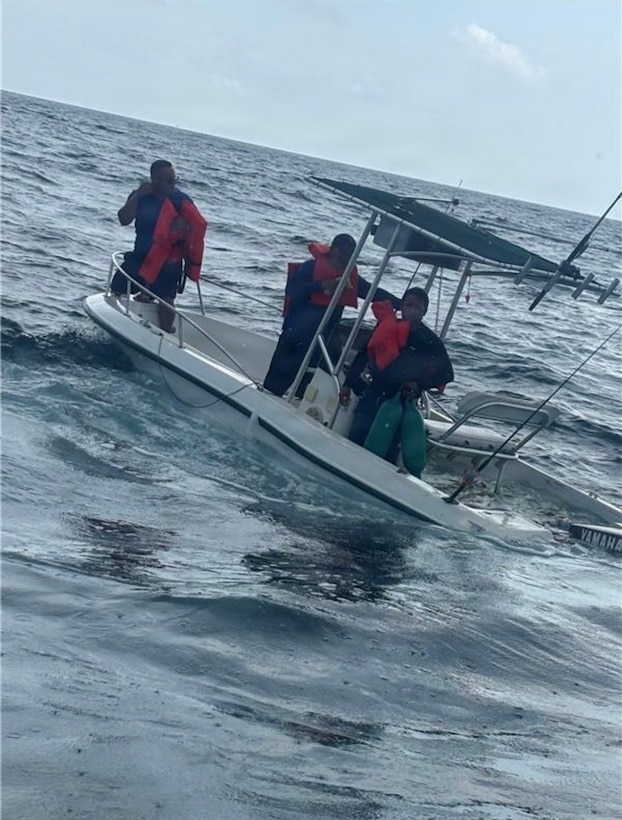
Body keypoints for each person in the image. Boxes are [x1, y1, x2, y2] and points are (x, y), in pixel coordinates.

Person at [263, 233, 400, 397]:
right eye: (346, 253)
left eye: (352, 255)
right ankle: (266, 397)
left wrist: (400, 303)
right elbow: (293, 290)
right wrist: (321, 285)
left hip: (322, 338)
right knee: (278, 376)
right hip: (297, 332)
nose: (348, 258)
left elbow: (372, 291)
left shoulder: (348, 278)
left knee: (306, 378)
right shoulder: (310, 267)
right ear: (334, 249)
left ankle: (296, 402)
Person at [340, 286, 454, 459]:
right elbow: (364, 354)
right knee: (355, 440)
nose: (412, 310)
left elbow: (447, 373)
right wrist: (347, 384)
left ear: (424, 312)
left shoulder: (429, 341)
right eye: (409, 305)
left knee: (386, 451)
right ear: (402, 306)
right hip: (373, 394)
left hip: (400, 403)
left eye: (417, 307)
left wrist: (419, 384)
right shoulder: (388, 327)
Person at [112, 159, 208, 332]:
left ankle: (167, 334)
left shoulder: (182, 202)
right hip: (141, 256)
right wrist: (138, 196)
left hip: (168, 262)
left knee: (166, 299)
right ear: (155, 180)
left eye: (175, 179)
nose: (173, 184)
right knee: (117, 288)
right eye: (169, 180)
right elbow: (123, 219)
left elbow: (197, 227)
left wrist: (183, 225)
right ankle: (121, 320)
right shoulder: (141, 196)